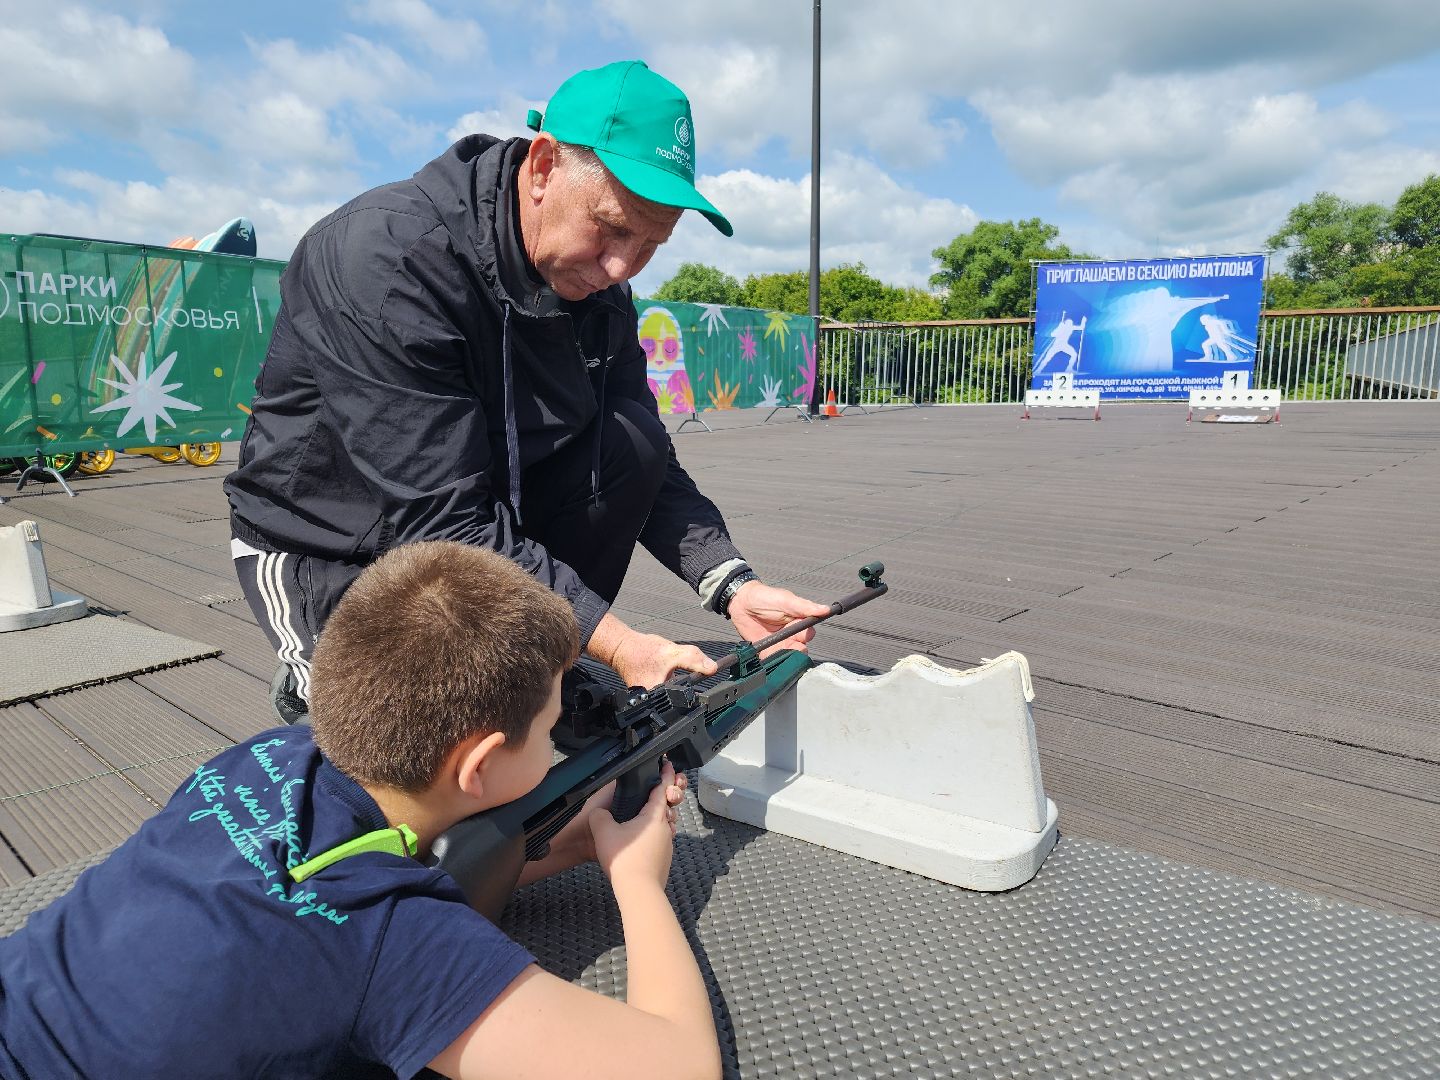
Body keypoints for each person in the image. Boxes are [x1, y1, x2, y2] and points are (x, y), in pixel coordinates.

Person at [224, 59, 827, 710]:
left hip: (480, 513)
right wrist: (623, 646)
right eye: (613, 227)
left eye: (653, 243)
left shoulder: (600, 290)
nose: (622, 266)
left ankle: (536, 661)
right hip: (339, 545)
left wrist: (732, 583)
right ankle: (320, 674)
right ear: (542, 168)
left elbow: (647, 459)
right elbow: (440, 523)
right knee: (412, 766)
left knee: (632, 440)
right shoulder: (388, 259)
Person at [0, 541, 722, 1080]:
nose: (559, 738)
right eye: (552, 727)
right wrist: (635, 876)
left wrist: (576, 838)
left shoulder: (263, 756)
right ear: (481, 766)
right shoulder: (388, 940)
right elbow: (678, 1065)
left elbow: (329, 879)